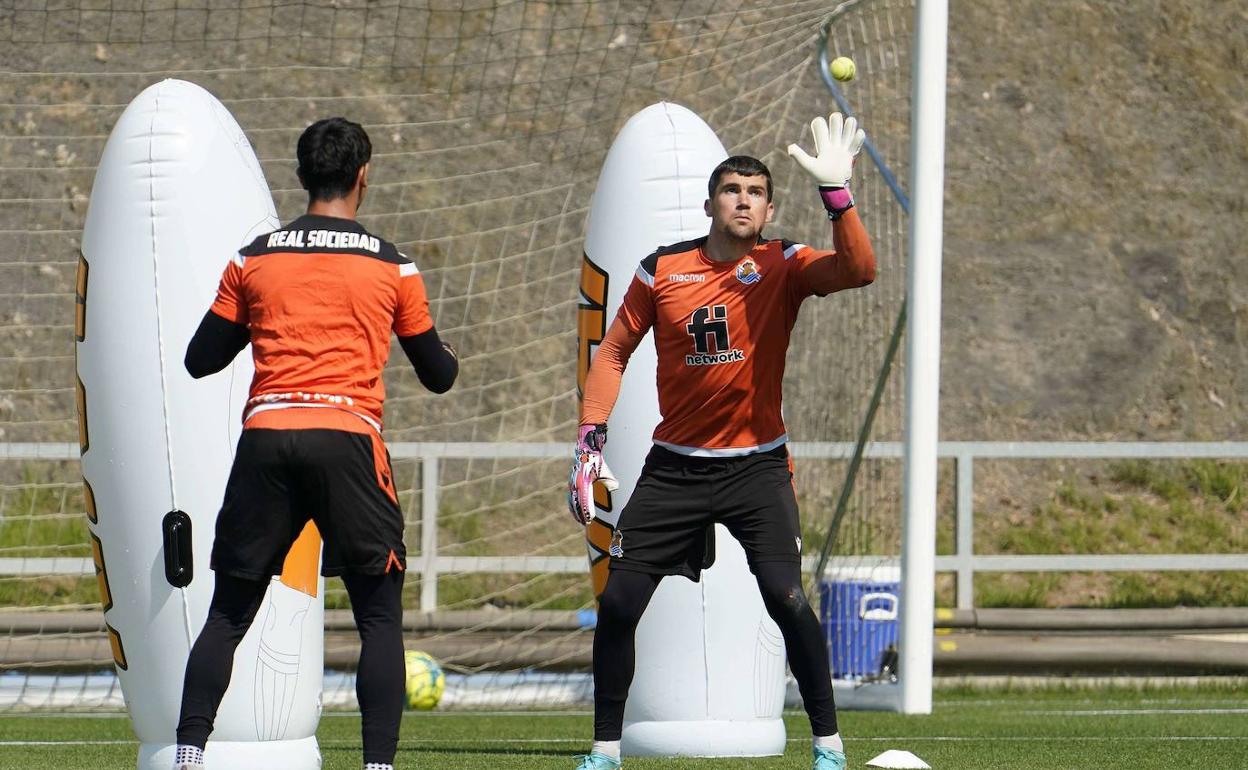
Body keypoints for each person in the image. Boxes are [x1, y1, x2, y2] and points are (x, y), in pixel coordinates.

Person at [568, 112, 875, 770]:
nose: (744, 199)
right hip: (674, 469)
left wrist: (838, 197)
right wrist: (590, 439)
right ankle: (604, 752)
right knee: (619, 602)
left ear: (769, 208)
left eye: (757, 191)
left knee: (787, 598)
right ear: (710, 203)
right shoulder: (662, 269)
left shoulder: (785, 263)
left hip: (756, 470)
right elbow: (614, 350)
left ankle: (828, 747)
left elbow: (860, 270)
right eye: (733, 189)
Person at [172, 117, 458, 770]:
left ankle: (187, 757)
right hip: (349, 438)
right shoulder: (392, 265)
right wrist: (448, 356)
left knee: (227, 616)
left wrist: (262, 322)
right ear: (363, 176)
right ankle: (378, 767)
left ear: (301, 177)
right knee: (379, 620)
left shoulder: (254, 259)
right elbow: (437, 376)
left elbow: (199, 360)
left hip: (268, 439)